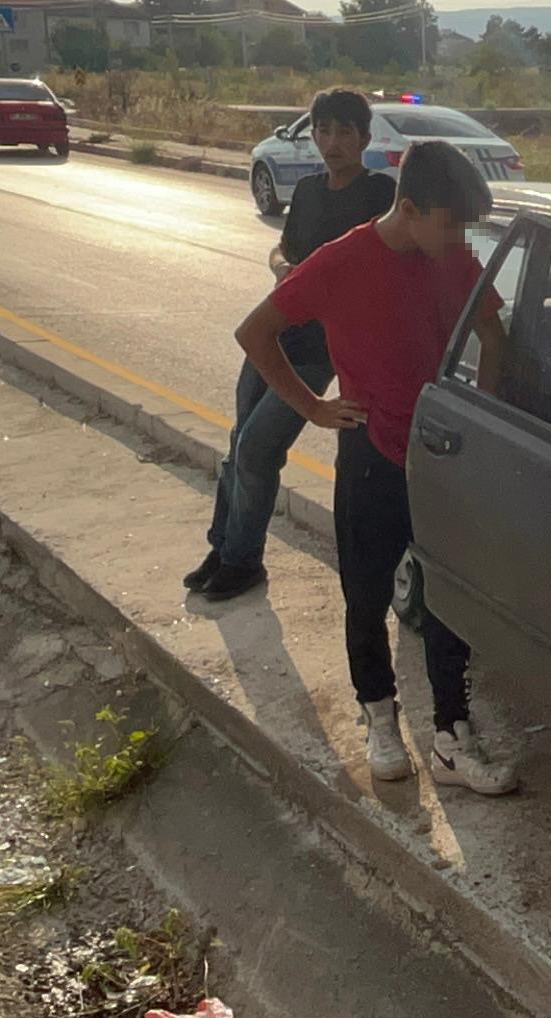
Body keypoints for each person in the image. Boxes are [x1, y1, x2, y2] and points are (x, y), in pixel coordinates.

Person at [229, 138, 516, 794]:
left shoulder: (452, 255)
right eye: (451, 226)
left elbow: (494, 335)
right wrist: (314, 407)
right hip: (370, 455)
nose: (459, 240)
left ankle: (451, 735)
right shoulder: (342, 261)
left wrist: (482, 415)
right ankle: (380, 718)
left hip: (440, 455)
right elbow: (255, 333)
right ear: (409, 209)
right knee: (366, 593)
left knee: (445, 595)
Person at [186, 88, 396, 603]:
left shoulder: (379, 195)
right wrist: (280, 264)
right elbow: (286, 246)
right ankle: (224, 547)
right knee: (240, 445)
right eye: (323, 130)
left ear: (365, 138)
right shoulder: (306, 191)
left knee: (259, 448)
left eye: (344, 131)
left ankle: (243, 560)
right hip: (273, 333)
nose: (332, 142)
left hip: (319, 349)